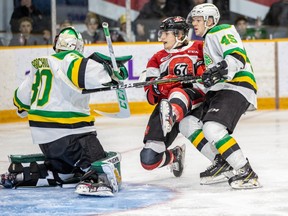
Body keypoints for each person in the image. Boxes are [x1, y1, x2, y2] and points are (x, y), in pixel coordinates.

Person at [1, 26, 131, 196]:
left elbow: (20, 100)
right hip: (69, 135)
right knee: (99, 158)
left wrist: (23, 110)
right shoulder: (70, 59)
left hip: (45, 140)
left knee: (66, 172)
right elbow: (87, 72)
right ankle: (94, 179)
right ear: (77, 46)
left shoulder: (39, 64)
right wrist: (111, 74)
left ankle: (31, 174)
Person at [186, 3, 261, 189]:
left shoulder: (220, 30)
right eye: (193, 20)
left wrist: (221, 69)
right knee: (187, 123)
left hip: (237, 85)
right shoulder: (207, 42)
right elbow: (211, 78)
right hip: (221, 89)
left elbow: (236, 56)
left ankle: (246, 171)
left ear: (210, 20)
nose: (194, 24)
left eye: (198, 20)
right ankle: (222, 162)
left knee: (212, 128)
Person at [140, 16, 205, 177]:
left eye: (165, 33)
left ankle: (172, 115)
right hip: (165, 108)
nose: (161, 37)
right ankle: (175, 156)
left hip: (195, 103)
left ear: (180, 34)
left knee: (178, 92)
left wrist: (202, 71)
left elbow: (212, 74)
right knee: (148, 160)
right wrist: (159, 86)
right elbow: (150, 97)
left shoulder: (200, 48)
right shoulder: (157, 58)